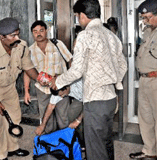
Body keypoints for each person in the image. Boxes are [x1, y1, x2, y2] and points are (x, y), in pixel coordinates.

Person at [50, 0, 127, 159]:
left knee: (95, 148)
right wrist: (113, 80)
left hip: (95, 100)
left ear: (83, 15)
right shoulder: (110, 35)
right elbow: (123, 65)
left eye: (77, 16)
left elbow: (76, 70)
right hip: (111, 99)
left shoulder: (85, 35)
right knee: (106, 142)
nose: (78, 20)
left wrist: (57, 82)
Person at [0, 17, 39, 160]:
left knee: (15, 119)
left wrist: (40, 78)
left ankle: (12, 148)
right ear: (2, 37)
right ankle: (2, 155)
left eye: (18, 33)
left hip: (10, 89)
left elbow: (28, 66)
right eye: (12, 35)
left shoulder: (21, 46)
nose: (17, 38)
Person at [23, 20, 73, 134]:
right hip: (42, 90)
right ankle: (51, 145)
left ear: (46, 31)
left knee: (63, 118)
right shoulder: (30, 51)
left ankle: (65, 145)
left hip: (60, 87)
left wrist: (70, 82)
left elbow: (70, 60)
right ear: (32, 34)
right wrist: (26, 91)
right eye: (35, 31)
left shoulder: (57, 44)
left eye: (41, 30)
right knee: (48, 122)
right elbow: (27, 72)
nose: (38, 34)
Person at [129, 0, 157, 159]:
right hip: (145, 80)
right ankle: (150, 151)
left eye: (147, 17)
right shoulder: (148, 31)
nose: (145, 21)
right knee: (145, 117)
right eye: (143, 18)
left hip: (156, 80)